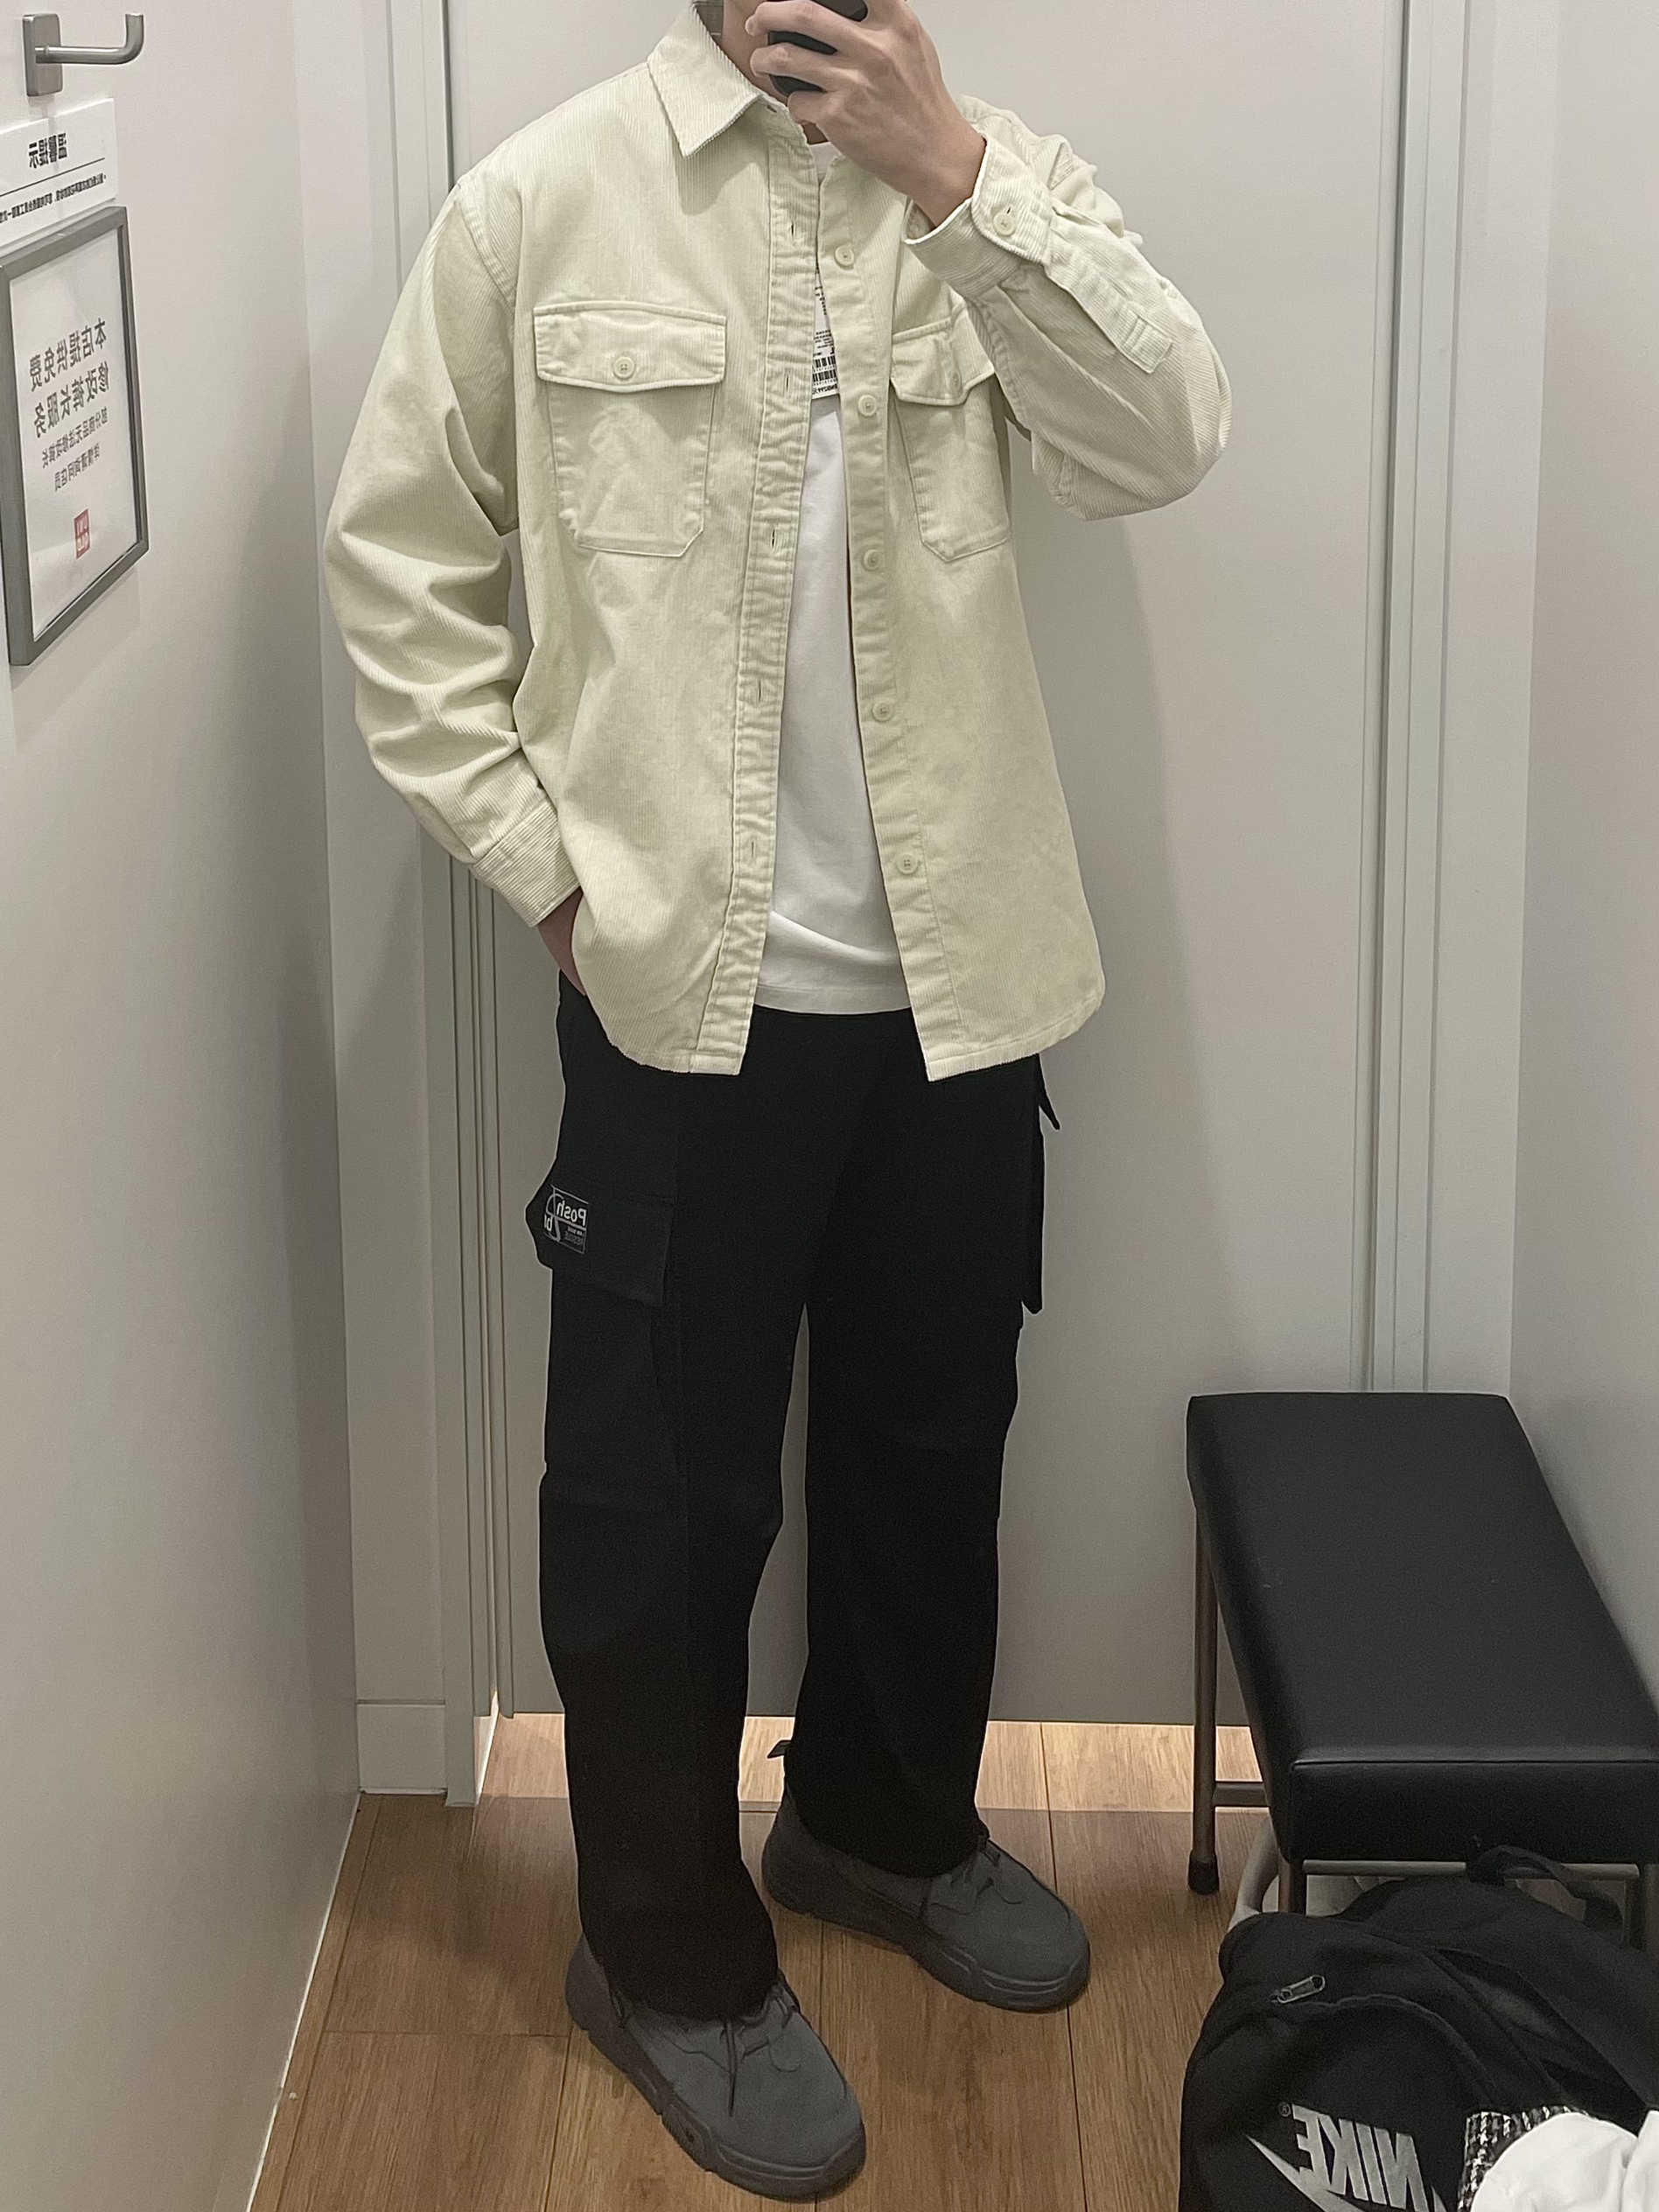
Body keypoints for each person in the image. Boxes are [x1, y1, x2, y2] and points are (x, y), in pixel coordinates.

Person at [324, 0, 1228, 2195]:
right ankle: (663, 1953)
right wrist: (548, 877)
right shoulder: (542, 203)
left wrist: (956, 176)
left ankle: (882, 1826)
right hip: (680, 1004)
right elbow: (399, 574)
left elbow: (1162, 437)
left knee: (932, 1443)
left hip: (961, 984)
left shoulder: (994, 178)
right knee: (660, 1512)